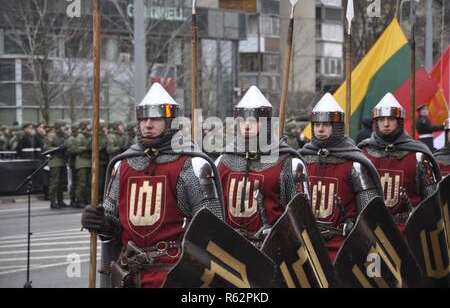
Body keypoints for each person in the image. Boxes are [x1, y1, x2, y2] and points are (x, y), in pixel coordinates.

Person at [81, 83, 223, 288]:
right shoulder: (123, 165)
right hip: (129, 273)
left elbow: (211, 228)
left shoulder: (191, 163)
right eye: (143, 119)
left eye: (155, 119)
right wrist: (100, 222)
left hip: (174, 274)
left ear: (171, 122)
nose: (147, 125)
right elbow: (113, 228)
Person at [216, 86, 310, 248]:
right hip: (229, 250)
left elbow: (301, 218)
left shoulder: (287, 162)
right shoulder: (222, 162)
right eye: (242, 120)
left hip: (272, 249)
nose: (246, 125)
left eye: (253, 121)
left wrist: (277, 234)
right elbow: (212, 213)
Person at [300, 93, 383, 261]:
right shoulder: (301, 160)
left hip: (342, 246)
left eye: (326, 124)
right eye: (316, 124)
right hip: (306, 246)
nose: (320, 129)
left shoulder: (354, 164)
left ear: (337, 126)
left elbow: (369, 214)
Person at [359, 93, 441, 236]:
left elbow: (431, 202)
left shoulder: (417, 156)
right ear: (376, 122)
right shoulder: (364, 154)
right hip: (373, 234)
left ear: (399, 121)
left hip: (408, 233)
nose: (385, 124)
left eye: (390, 119)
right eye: (381, 119)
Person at [44, 120, 69, 209]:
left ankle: (60, 200)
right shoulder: (52, 135)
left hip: (63, 160)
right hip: (55, 161)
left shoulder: (64, 135)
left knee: (62, 182)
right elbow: (46, 147)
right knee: (55, 182)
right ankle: (53, 201)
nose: (64, 128)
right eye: (62, 126)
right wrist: (58, 148)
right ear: (58, 127)